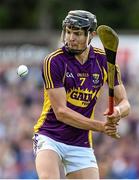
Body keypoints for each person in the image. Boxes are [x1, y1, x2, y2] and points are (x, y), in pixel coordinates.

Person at [33, 10, 130, 179]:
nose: (71, 38)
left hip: (80, 142)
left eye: (77, 34)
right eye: (68, 32)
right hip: (50, 136)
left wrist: (118, 112)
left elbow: (125, 102)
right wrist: (101, 126)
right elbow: (61, 113)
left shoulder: (104, 62)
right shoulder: (53, 61)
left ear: (91, 35)